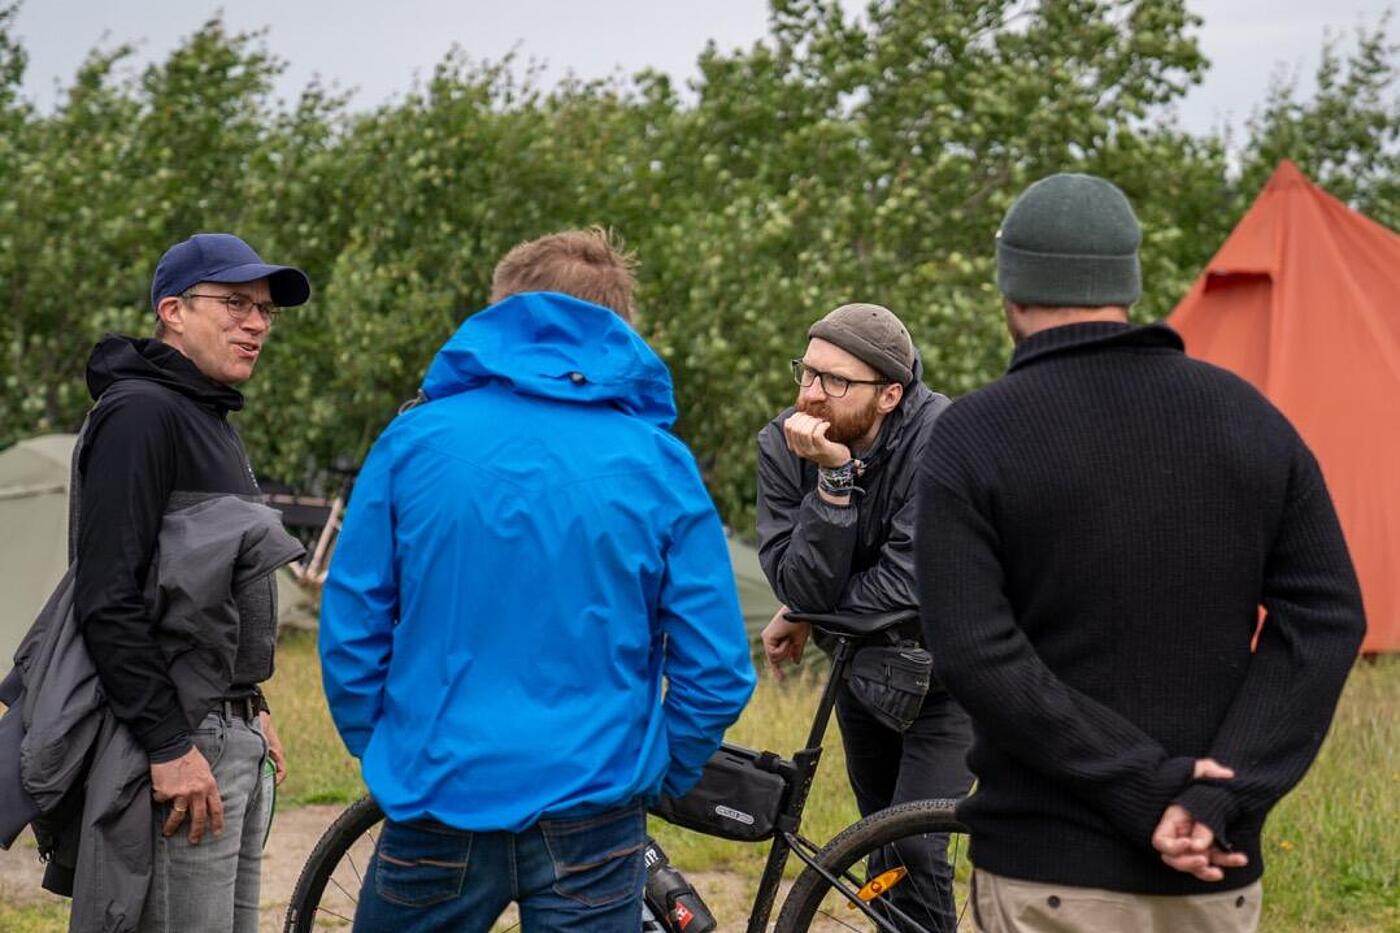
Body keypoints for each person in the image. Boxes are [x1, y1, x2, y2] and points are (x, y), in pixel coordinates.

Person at [915, 173, 1367, 932]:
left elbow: (976, 653)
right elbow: (1327, 618)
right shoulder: (1250, 421)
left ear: (1010, 287)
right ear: (1128, 279)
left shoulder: (974, 435)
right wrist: (1219, 793)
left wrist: (1147, 786)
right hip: (1210, 873)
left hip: (1047, 871)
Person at [319, 228, 756, 931]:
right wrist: (657, 769)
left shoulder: (412, 443)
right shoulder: (658, 462)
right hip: (596, 802)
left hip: (436, 789)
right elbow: (720, 668)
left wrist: (391, 746)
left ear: (500, 313)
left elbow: (350, 626)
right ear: (616, 325)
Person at [76, 233, 310, 931]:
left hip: (229, 733)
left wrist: (252, 698)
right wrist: (170, 746)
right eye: (236, 302)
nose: (257, 323)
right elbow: (107, 596)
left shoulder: (207, 415)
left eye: (265, 309)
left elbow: (201, 586)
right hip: (182, 742)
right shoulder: (140, 414)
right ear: (173, 310)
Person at [756, 302, 973, 930]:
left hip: (951, 674)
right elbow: (798, 579)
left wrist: (811, 608)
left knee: (914, 844)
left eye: (835, 381)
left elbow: (910, 579)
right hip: (862, 669)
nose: (811, 394)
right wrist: (832, 482)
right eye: (807, 372)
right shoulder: (783, 443)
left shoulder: (943, 438)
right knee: (877, 845)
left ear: (889, 394)